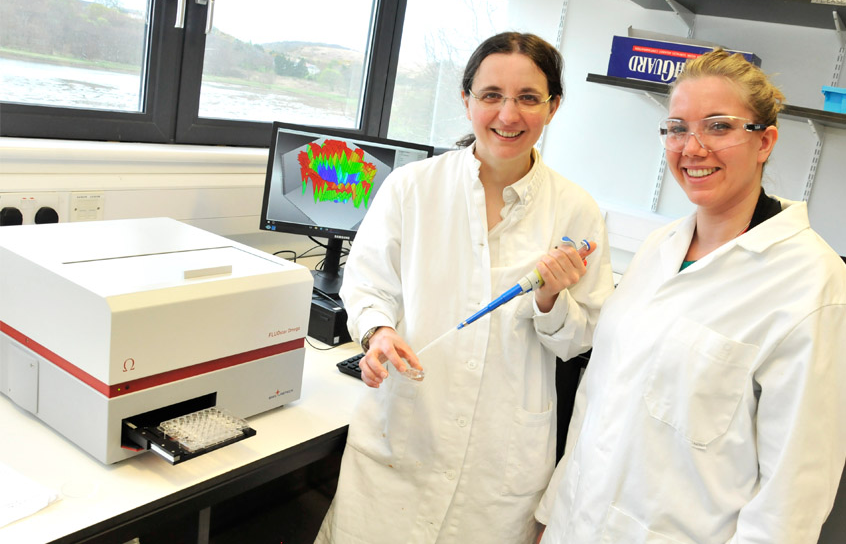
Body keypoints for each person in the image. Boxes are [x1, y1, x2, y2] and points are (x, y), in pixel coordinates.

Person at [315, 32, 615, 544]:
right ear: (466, 99)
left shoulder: (576, 210)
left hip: (499, 462)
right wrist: (378, 333)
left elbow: (579, 342)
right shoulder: (413, 187)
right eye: (492, 95)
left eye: (528, 98)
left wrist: (549, 300)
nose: (508, 115)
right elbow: (368, 284)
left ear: (553, 106)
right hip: (404, 434)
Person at [535, 49, 846, 543]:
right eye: (678, 128)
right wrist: (553, 517)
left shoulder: (810, 281)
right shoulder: (660, 248)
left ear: (764, 142)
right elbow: (598, 402)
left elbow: (794, 493)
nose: (692, 147)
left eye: (719, 126)